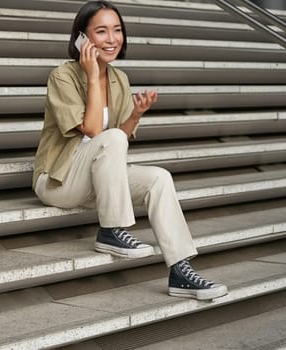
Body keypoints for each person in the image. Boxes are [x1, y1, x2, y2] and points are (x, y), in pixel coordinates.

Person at [32, 0, 228, 300]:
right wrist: (93, 76)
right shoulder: (63, 76)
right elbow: (95, 132)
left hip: (97, 181)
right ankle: (111, 230)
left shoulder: (119, 79)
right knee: (110, 138)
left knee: (159, 178)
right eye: (101, 31)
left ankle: (180, 270)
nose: (112, 39)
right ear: (82, 38)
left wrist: (135, 115)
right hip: (59, 181)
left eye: (117, 30)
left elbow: (116, 142)